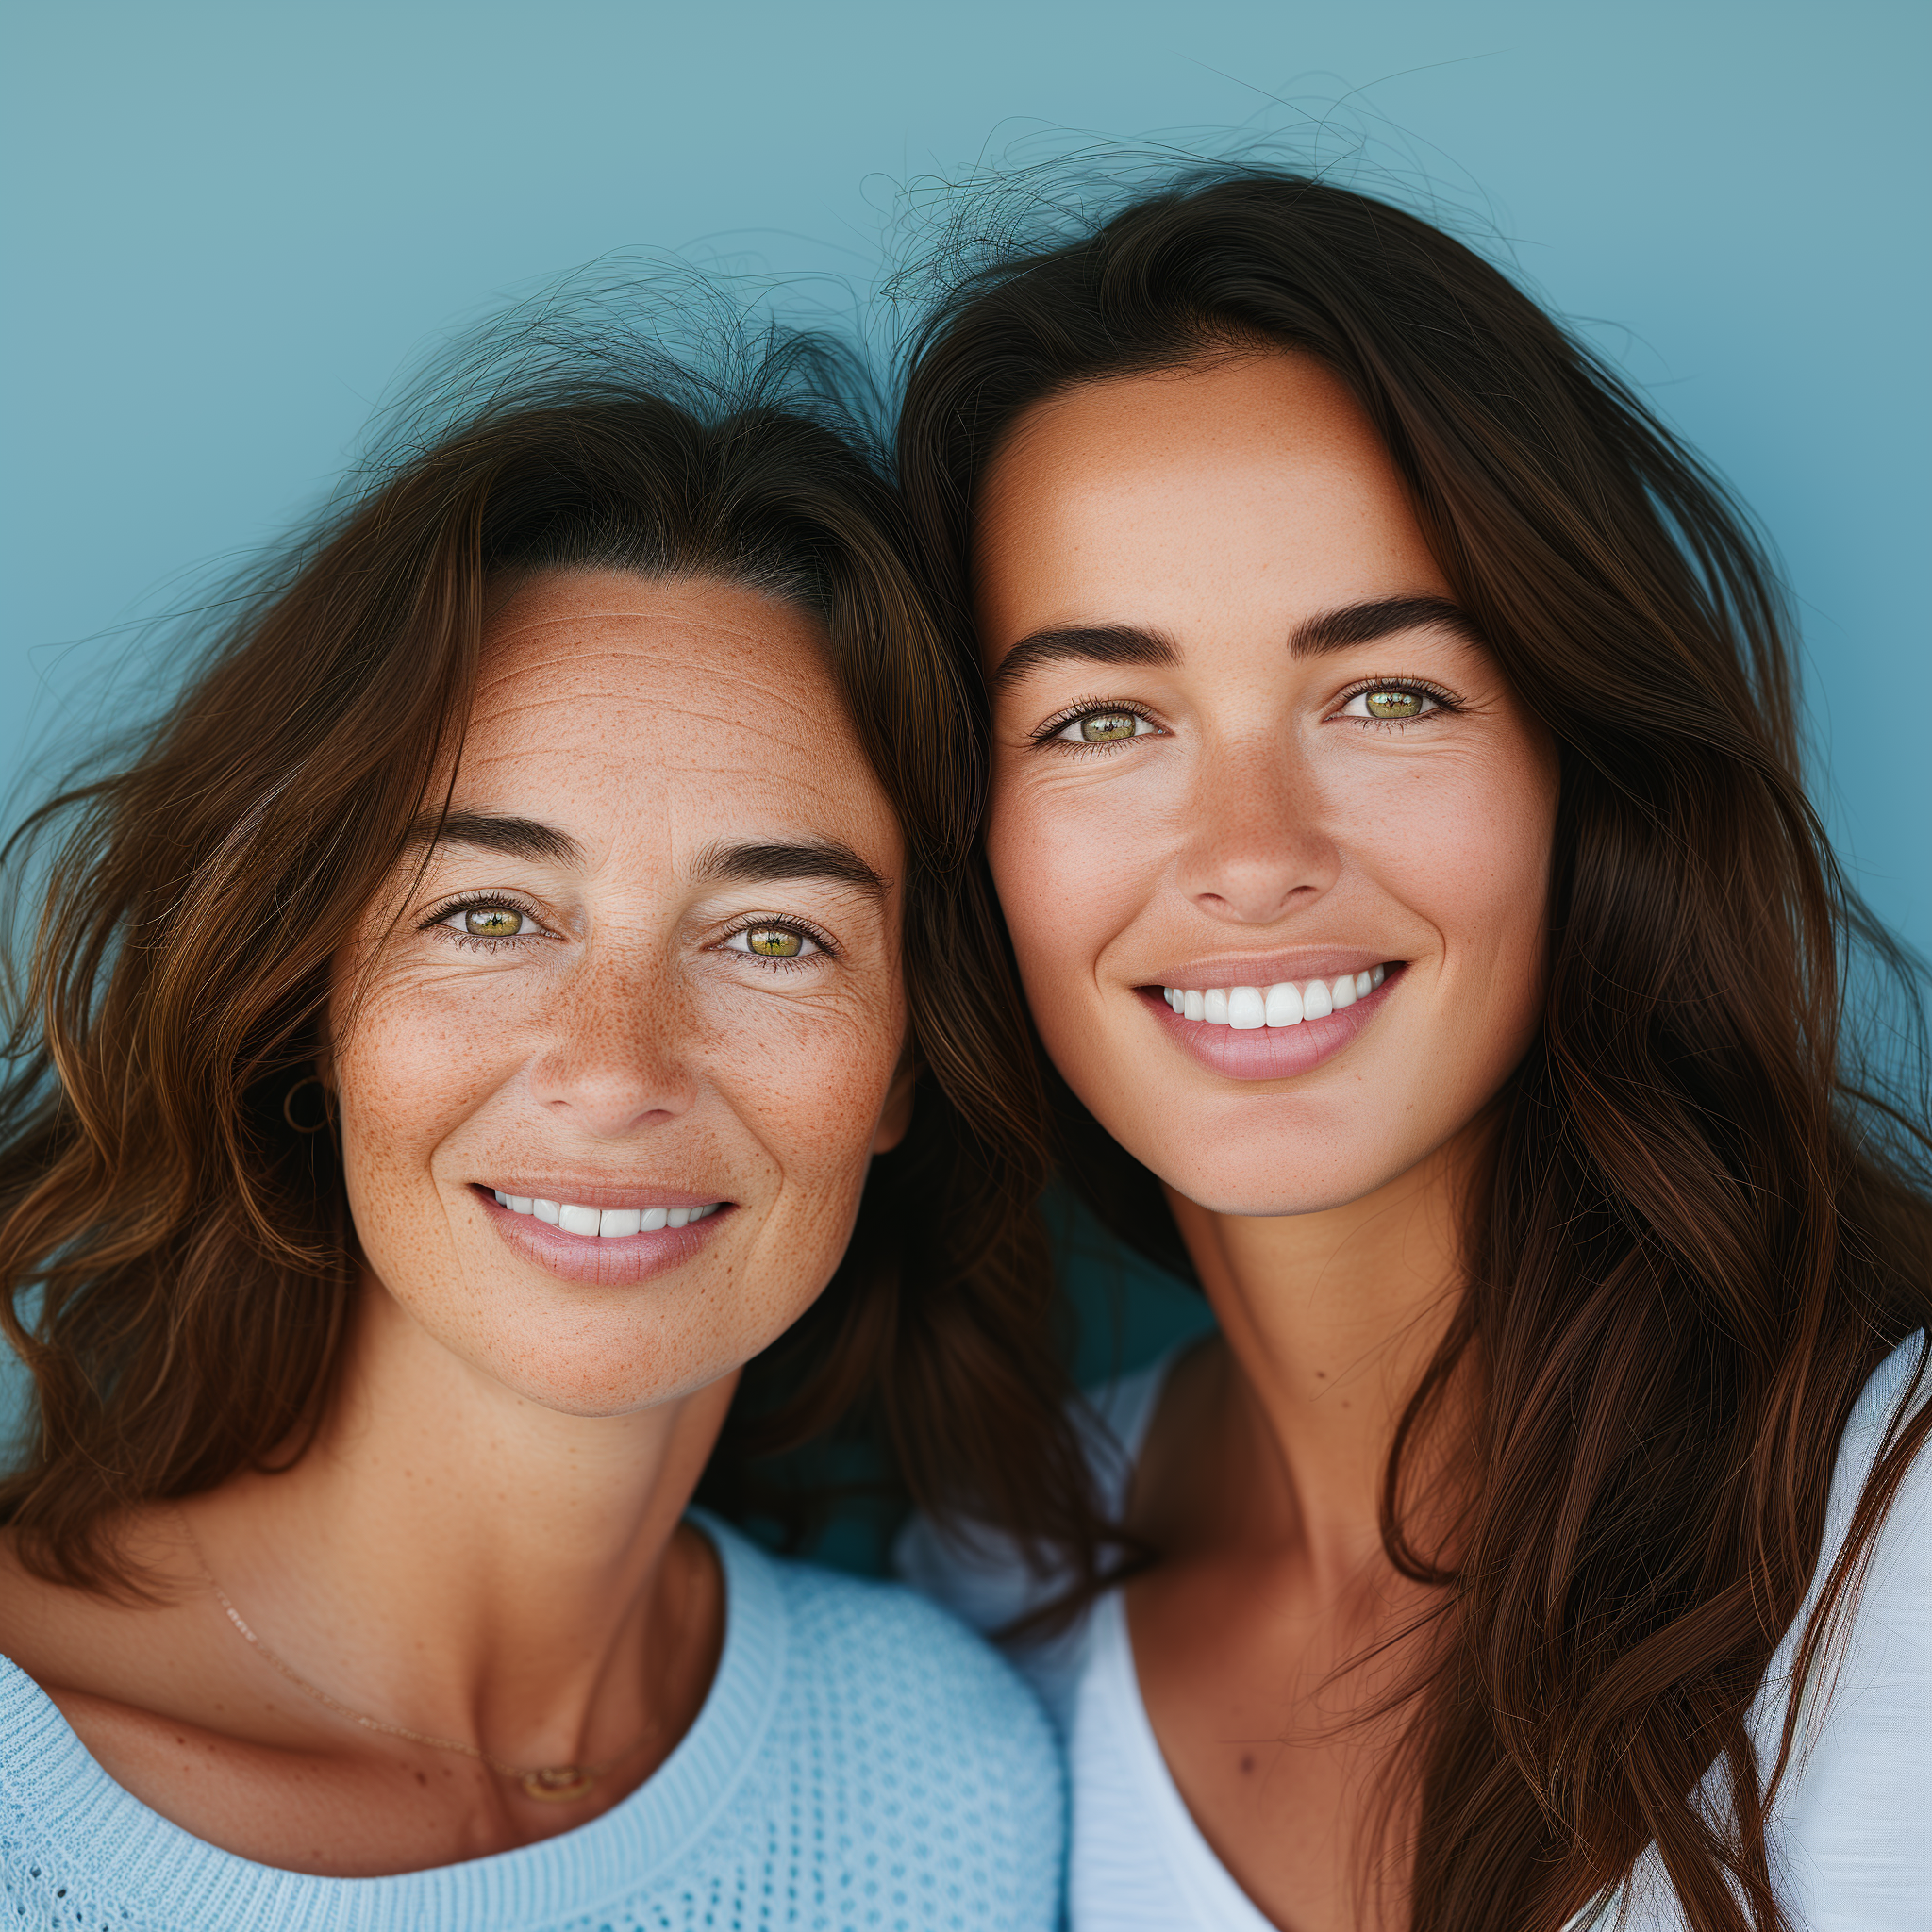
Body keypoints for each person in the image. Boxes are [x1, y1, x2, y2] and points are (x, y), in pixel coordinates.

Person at [891, 163, 1932, 1932]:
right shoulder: (998, 1590)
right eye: (1100, 718)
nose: (1250, 851)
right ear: (961, 841)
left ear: (1574, 774)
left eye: (1389, 694)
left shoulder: (1897, 1531)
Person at [0, 308, 1079, 1928]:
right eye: (491, 913)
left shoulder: (940, 1783)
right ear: (314, 997)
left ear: (909, 1062)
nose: (616, 1064)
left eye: (775, 936)